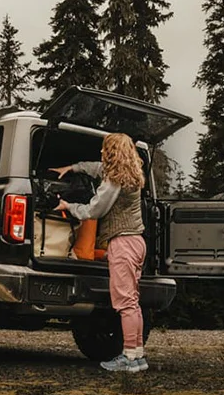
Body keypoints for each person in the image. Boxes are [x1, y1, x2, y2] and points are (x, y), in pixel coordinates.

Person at [49, 133, 148, 373]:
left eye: (105, 149)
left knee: (125, 303)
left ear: (113, 152)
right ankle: (137, 356)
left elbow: (94, 210)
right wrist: (73, 167)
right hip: (137, 242)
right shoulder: (131, 174)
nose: (102, 152)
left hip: (123, 243)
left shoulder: (114, 181)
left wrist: (69, 206)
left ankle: (129, 358)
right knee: (133, 303)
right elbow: (96, 168)